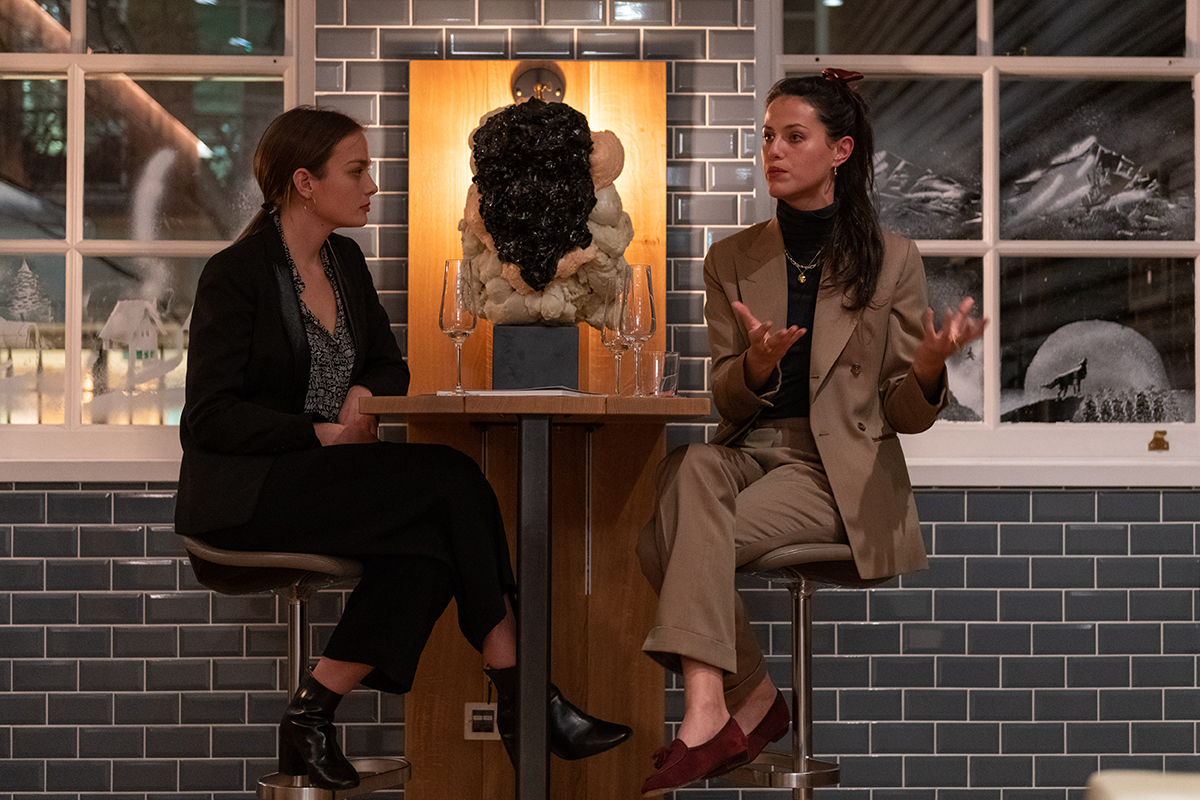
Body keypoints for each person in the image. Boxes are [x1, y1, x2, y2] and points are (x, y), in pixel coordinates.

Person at [174, 106, 630, 791]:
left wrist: (363, 392)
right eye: (357, 170)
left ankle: (314, 710)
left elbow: (390, 366)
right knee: (449, 481)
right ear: (304, 181)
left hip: (329, 483)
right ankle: (523, 694)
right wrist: (317, 431)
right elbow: (208, 418)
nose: (373, 184)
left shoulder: (345, 262)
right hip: (249, 494)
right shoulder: (236, 274)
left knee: (434, 544)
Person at [635, 71, 987, 796]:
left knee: (666, 537)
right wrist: (758, 366)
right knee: (696, 467)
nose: (774, 150)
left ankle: (723, 707)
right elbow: (723, 397)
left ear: (839, 151)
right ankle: (739, 702)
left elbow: (901, 413)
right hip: (749, 450)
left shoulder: (892, 259)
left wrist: (925, 366)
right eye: (767, 136)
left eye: (794, 137)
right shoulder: (731, 258)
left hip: (833, 471)